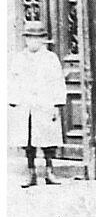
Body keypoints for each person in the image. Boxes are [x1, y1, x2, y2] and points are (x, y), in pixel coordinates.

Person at [8, 22, 67, 188]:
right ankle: (31, 171)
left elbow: (58, 82)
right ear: (26, 39)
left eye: (37, 38)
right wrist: (13, 101)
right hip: (25, 105)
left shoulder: (50, 58)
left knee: (48, 139)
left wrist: (57, 104)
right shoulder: (19, 58)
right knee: (27, 140)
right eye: (29, 38)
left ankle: (49, 171)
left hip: (45, 103)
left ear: (43, 40)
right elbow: (13, 81)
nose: (33, 41)